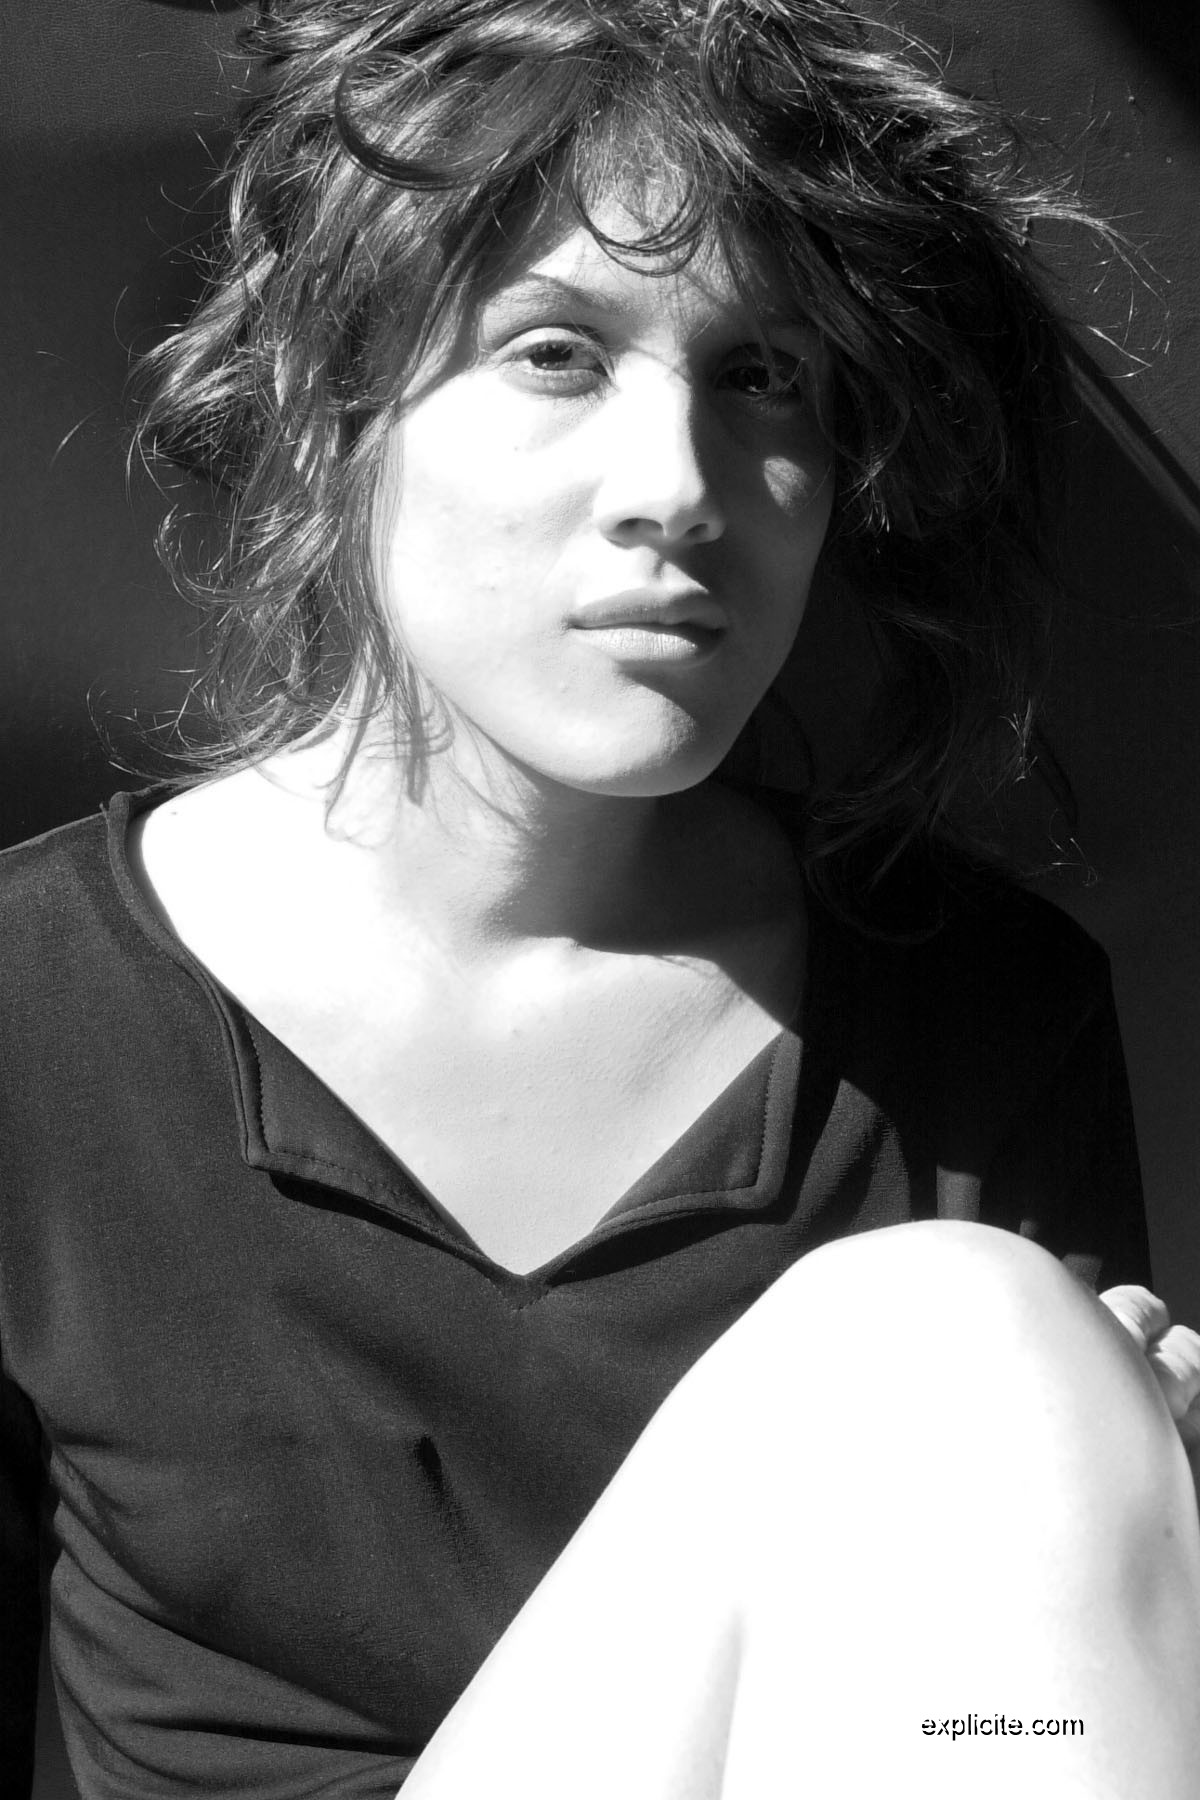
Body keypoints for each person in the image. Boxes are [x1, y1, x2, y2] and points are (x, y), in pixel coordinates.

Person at [2, 0, 1199, 1795]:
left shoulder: (982, 1015)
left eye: (764, 376)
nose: (679, 492)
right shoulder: (32, 1020)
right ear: (336, 406)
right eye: (556, 353)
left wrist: (1109, 1528)